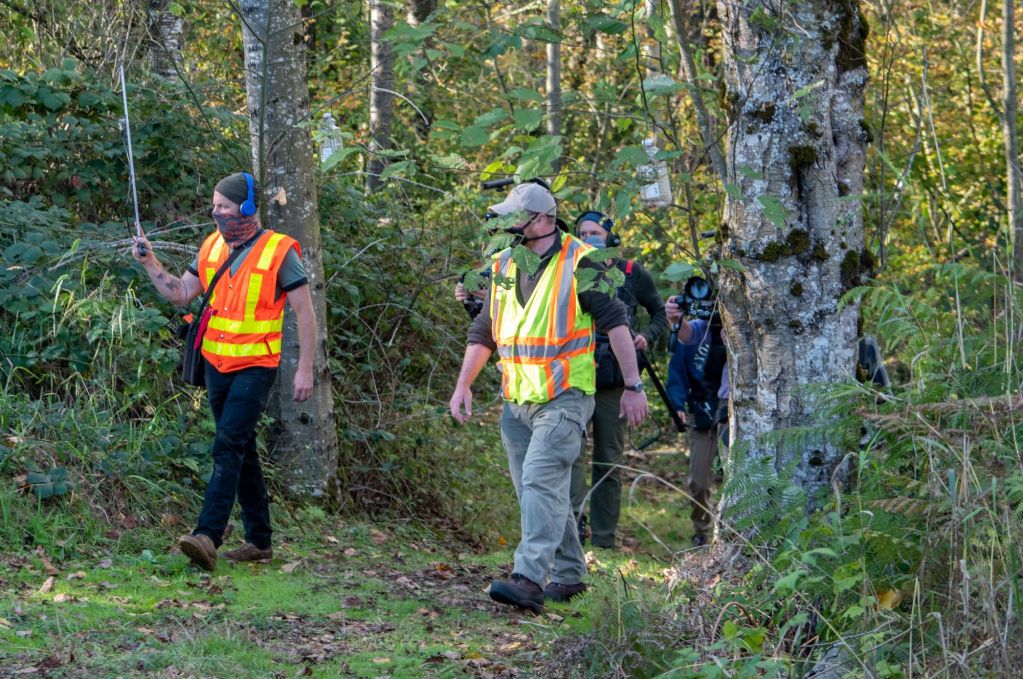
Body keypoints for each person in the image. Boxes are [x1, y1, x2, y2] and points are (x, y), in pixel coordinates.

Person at [449, 181, 649, 613]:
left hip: (565, 396)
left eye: (512, 217)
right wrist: (463, 384)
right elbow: (484, 330)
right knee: (535, 491)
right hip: (517, 399)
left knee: (540, 480)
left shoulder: (583, 261)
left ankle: (528, 579)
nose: (504, 224)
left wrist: (634, 387)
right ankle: (571, 574)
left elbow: (616, 323)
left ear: (541, 220)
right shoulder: (504, 263)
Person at [131, 171, 317, 571]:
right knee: (242, 446)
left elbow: (305, 313)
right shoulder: (212, 246)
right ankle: (260, 542)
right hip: (216, 364)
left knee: (227, 444)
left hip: (257, 365)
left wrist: (305, 369)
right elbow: (180, 293)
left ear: (247, 209)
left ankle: (207, 536)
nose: (215, 213)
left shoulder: (280, 251)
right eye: (214, 206)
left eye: (224, 207)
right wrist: (150, 263)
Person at [569, 211, 667, 548]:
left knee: (608, 461)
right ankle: (573, 529)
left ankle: (605, 539)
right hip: (575, 380)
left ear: (611, 237)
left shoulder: (631, 273)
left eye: (595, 232)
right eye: (583, 232)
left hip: (614, 384)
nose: (589, 236)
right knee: (570, 456)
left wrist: (646, 335)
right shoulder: (567, 269)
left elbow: (659, 314)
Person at [665, 296, 728, 548]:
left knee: (735, 475)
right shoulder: (696, 331)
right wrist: (677, 405)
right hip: (700, 410)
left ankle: (730, 531)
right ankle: (702, 531)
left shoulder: (742, 331)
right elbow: (677, 367)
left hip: (730, 409)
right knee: (698, 481)